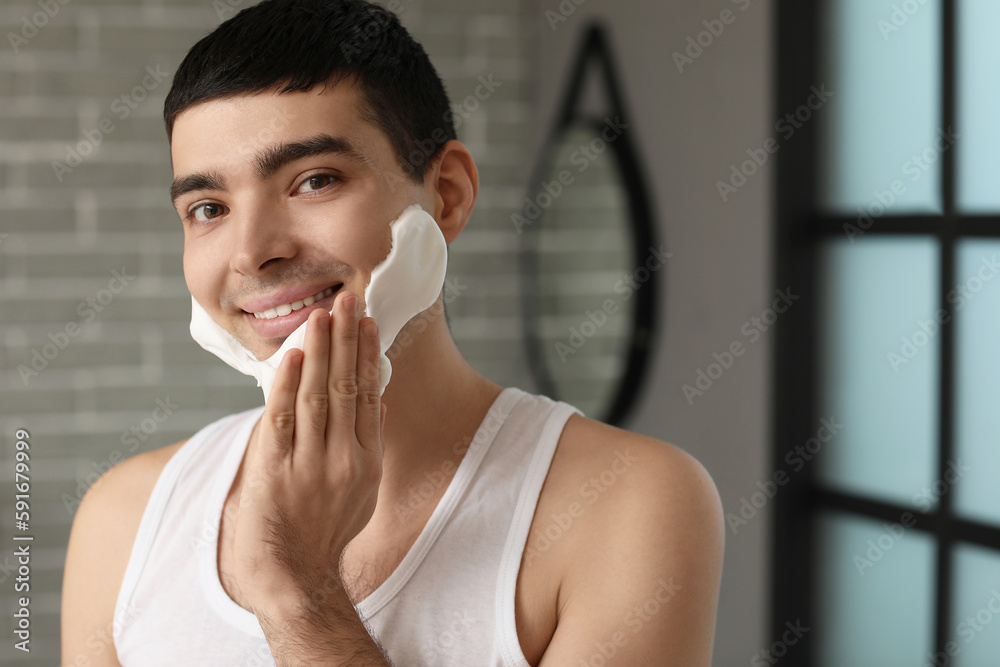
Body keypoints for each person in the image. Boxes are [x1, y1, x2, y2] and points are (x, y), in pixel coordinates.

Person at [60, 1, 724, 665]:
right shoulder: (124, 518)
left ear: (448, 196)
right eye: (208, 208)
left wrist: (299, 591)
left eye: (313, 180)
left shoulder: (630, 501)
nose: (252, 252)